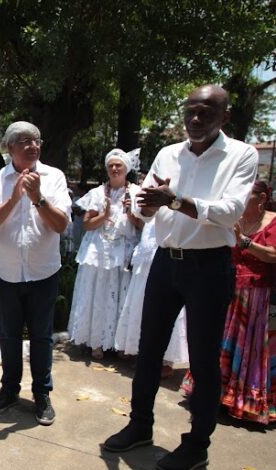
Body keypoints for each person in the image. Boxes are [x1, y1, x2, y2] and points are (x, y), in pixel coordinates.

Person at [103, 84, 258, 470]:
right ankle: (140, 425)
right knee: (148, 349)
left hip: (209, 266)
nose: (195, 118)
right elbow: (150, 211)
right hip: (166, 261)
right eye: (190, 110)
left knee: (203, 360)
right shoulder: (168, 154)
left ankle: (197, 444)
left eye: (206, 112)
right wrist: (146, 206)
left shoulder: (241, 154)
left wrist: (171, 200)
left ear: (225, 116)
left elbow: (229, 212)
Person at [0, 121, 72, 425]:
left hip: (43, 272)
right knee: (9, 335)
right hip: (6, 272)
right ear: (9, 148)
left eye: (36, 140)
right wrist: (14, 198)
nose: (33, 146)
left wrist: (37, 198)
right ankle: (9, 390)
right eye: (24, 141)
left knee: (42, 336)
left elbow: (61, 225)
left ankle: (42, 394)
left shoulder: (54, 177)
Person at [182, 180, 276, 424]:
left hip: (254, 295)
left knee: (247, 348)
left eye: (248, 196)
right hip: (226, 287)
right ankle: (212, 394)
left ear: (262, 198)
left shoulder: (273, 221)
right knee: (216, 343)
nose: (242, 200)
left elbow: (273, 255)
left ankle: (243, 400)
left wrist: (244, 241)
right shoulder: (233, 218)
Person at [68, 149, 143, 359]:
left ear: (126, 169)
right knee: (98, 292)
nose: (114, 168)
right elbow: (88, 225)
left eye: (118, 165)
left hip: (123, 250)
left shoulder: (137, 193)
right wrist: (105, 215)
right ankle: (96, 342)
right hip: (98, 250)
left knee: (122, 294)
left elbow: (142, 226)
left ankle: (120, 344)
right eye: (111, 165)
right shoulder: (97, 193)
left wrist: (130, 213)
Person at [114, 218, 189, 373]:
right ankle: (140, 353)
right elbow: (143, 221)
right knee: (141, 305)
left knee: (165, 309)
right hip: (146, 252)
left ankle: (166, 361)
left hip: (166, 249)